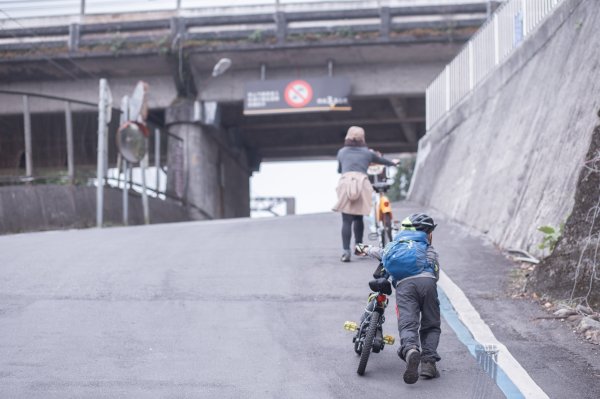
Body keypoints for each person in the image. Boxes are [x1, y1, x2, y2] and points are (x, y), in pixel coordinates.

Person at [356, 213, 441, 384]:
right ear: (427, 233)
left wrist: (363, 248)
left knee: (408, 324)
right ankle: (428, 364)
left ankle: (410, 350)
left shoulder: (395, 245)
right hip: (428, 283)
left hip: (405, 286)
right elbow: (435, 272)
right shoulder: (428, 248)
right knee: (431, 324)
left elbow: (377, 252)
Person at [332, 126, 397, 262]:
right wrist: (393, 163)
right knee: (358, 218)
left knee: (346, 219)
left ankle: (345, 251)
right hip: (362, 183)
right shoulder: (367, 153)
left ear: (348, 137)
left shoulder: (342, 152)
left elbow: (339, 170)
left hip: (346, 183)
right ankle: (359, 248)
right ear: (363, 138)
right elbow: (383, 161)